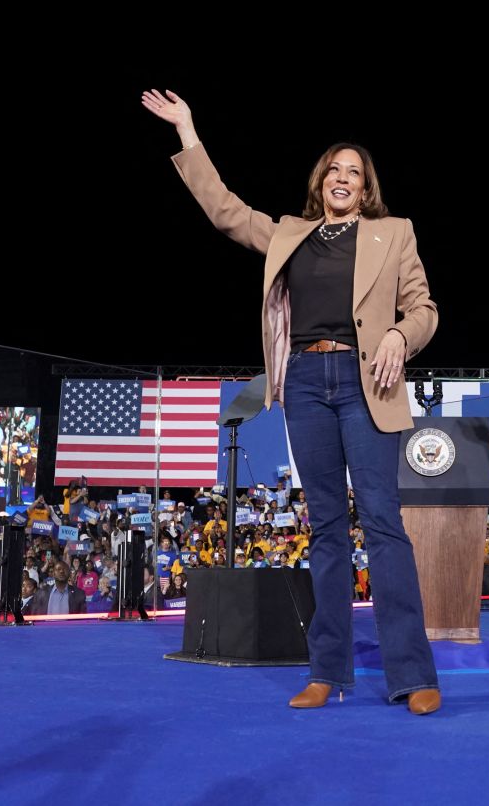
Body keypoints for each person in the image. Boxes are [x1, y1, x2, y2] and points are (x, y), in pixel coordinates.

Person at [143, 87, 440, 716]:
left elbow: (424, 310)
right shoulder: (290, 234)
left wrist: (397, 334)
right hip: (304, 381)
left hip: (369, 385)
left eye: (353, 173)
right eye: (334, 169)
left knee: (384, 524)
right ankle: (325, 672)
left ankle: (413, 674)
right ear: (321, 181)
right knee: (328, 529)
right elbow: (224, 210)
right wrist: (188, 132)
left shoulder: (395, 233)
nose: (342, 178)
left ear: (366, 190)